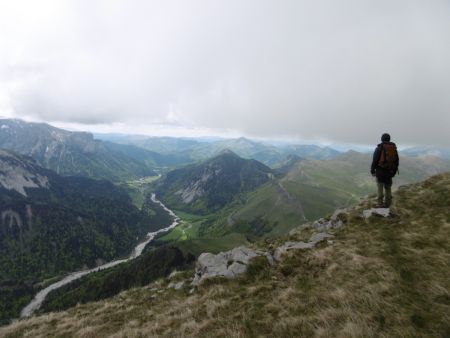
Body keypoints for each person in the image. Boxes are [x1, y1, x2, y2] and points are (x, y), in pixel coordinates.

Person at [370, 133, 399, 208]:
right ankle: (388, 203)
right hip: (389, 172)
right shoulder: (393, 148)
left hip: (380, 171)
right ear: (389, 139)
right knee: (388, 188)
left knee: (380, 187)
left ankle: (380, 203)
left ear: (382, 139)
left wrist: (372, 171)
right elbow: (396, 161)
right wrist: (394, 172)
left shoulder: (379, 148)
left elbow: (375, 160)